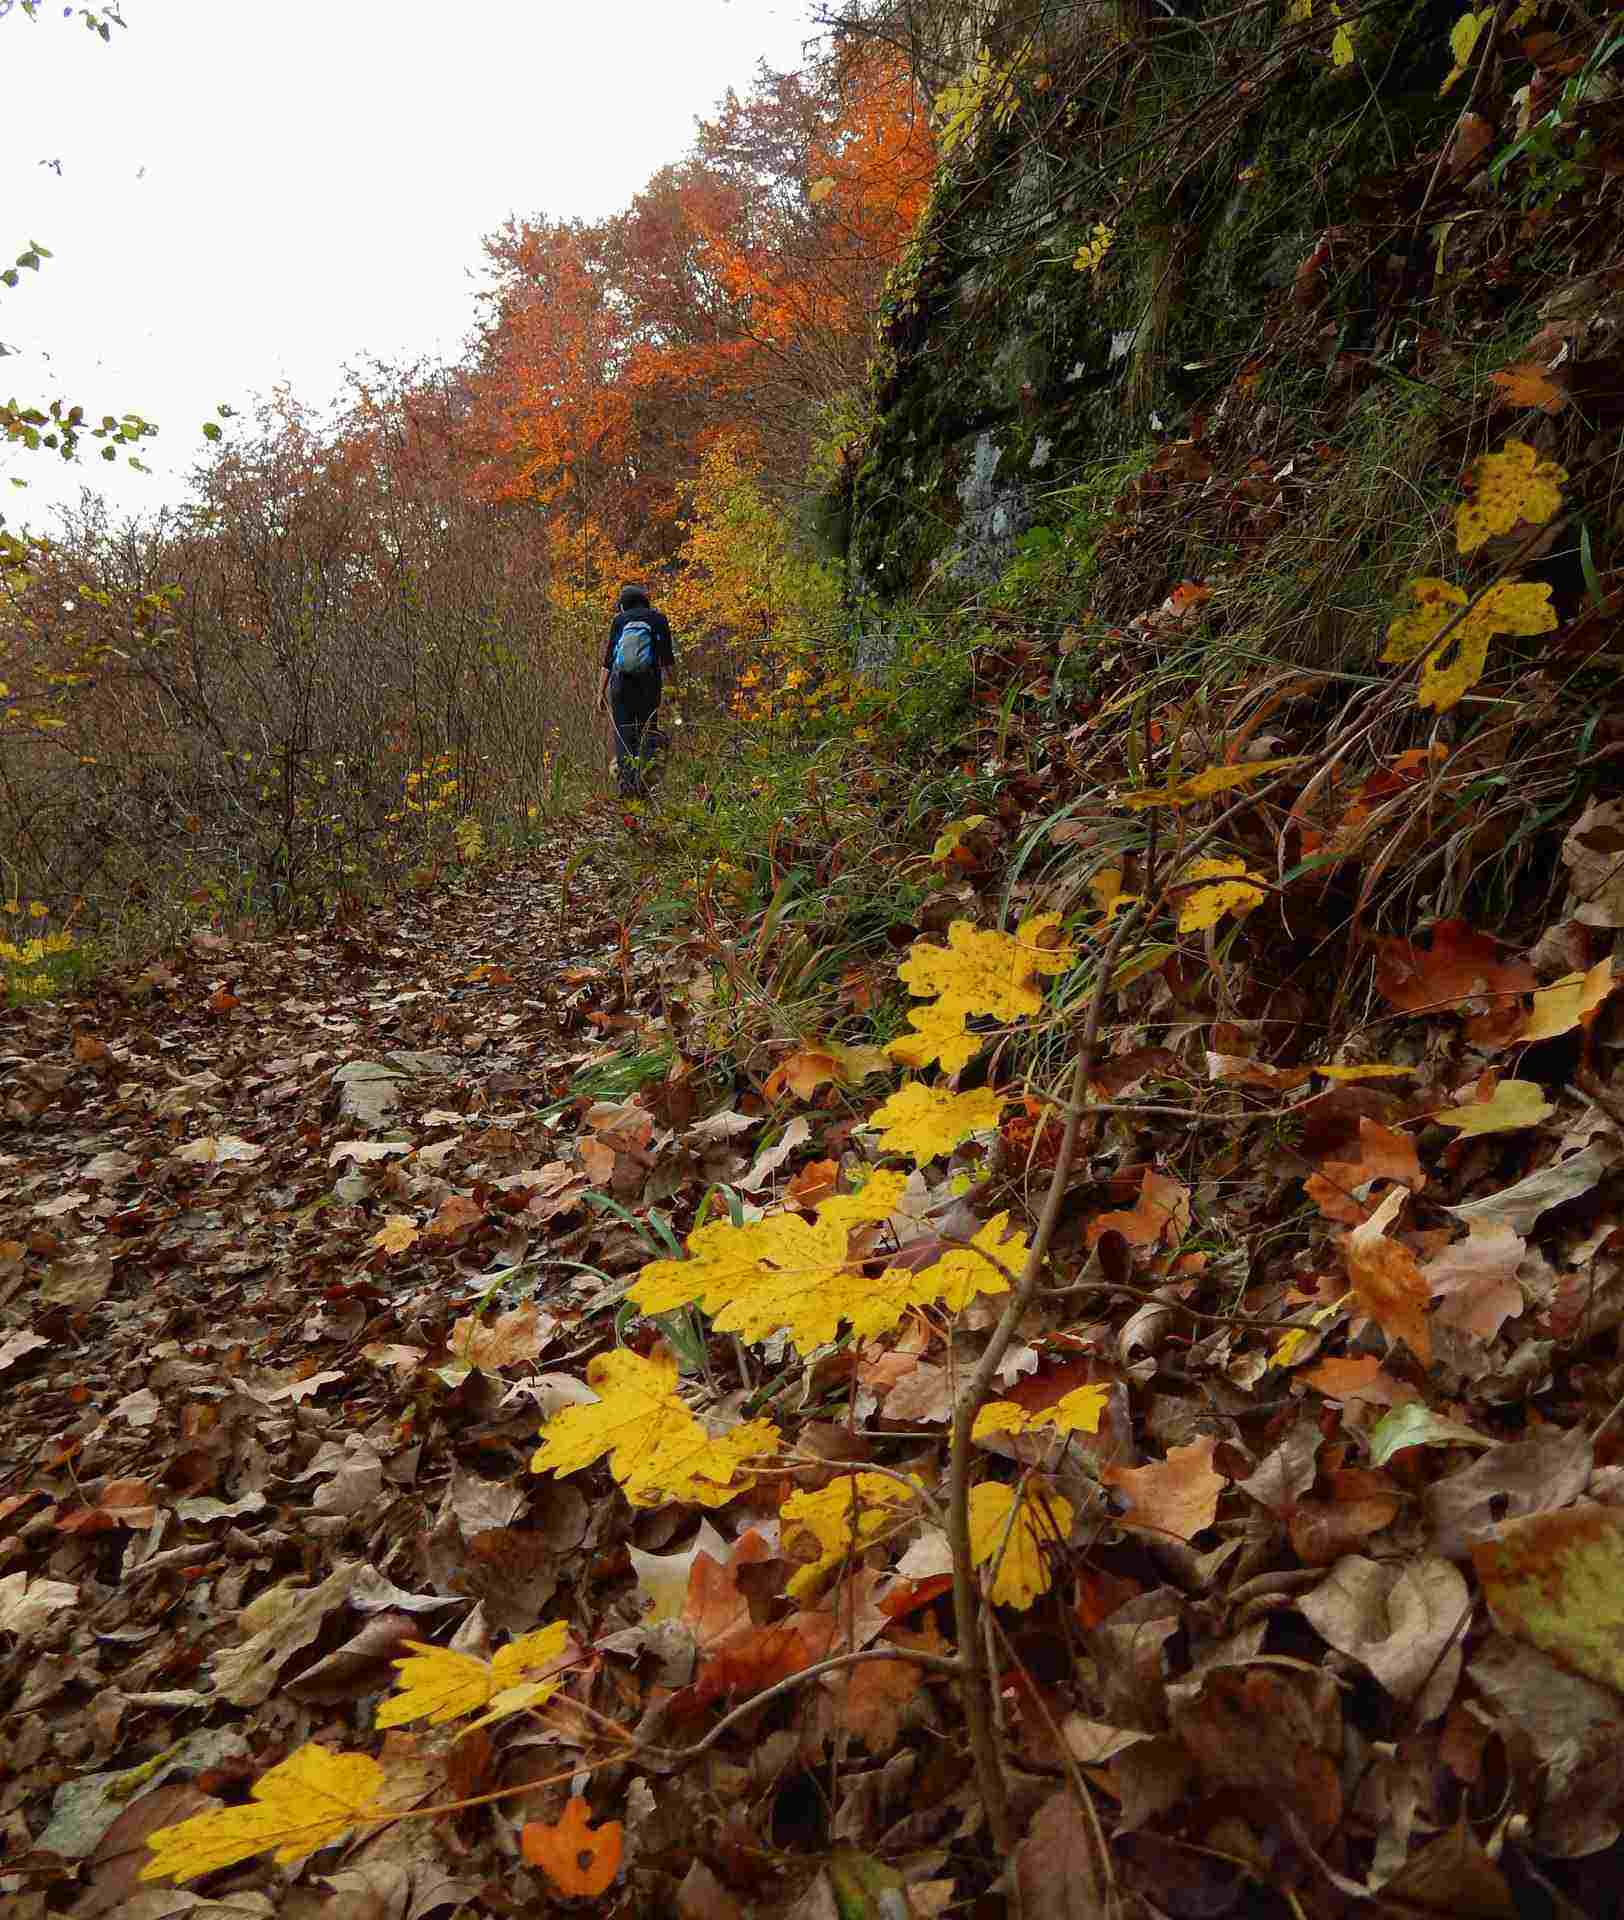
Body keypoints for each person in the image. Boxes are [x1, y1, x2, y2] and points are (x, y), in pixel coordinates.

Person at [599, 583, 676, 799]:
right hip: (648, 684)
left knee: (624, 734)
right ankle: (644, 784)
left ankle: (627, 786)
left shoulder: (619, 620)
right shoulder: (658, 619)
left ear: (623, 605)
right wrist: (674, 690)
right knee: (646, 731)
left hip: (621, 685)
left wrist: (600, 692)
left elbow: (608, 660)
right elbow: (667, 660)